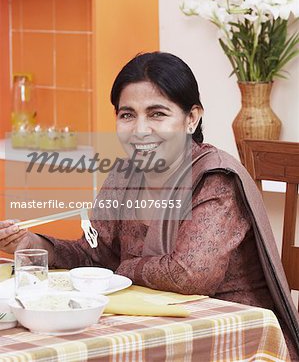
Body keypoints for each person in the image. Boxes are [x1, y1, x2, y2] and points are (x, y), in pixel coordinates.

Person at [0, 52, 298, 359]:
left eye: (157, 114)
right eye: (127, 115)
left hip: (234, 336)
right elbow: (97, 254)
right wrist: (29, 243)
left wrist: (121, 268)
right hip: (153, 326)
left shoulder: (215, 179)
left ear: (191, 118)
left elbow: (188, 275)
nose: (140, 130)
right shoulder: (124, 173)